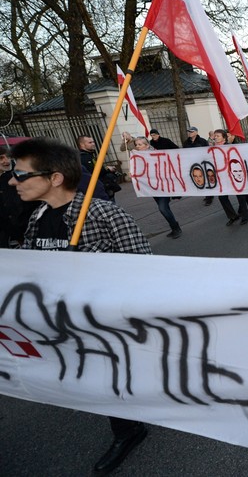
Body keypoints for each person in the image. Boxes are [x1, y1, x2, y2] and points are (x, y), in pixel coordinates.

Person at [10, 137, 151, 474]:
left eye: (22, 174)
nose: (13, 181)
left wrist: (90, 266)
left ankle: (128, 430)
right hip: (65, 323)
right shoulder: (36, 218)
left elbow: (146, 268)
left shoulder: (103, 214)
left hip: (105, 323)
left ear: (54, 177)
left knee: (109, 378)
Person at [133, 137, 182, 238]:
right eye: (136, 145)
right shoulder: (138, 157)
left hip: (163, 187)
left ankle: (176, 228)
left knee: (162, 208)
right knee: (165, 208)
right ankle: (174, 227)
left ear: (147, 146)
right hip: (152, 188)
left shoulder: (156, 155)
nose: (137, 147)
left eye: (140, 144)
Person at [212, 129, 248, 226]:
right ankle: (232, 216)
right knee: (222, 197)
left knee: (240, 195)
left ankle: (244, 216)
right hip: (222, 176)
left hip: (233, 175)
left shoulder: (230, 147)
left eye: (218, 136)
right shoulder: (213, 149)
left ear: (224, 138)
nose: (215, 137)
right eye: (215, 136)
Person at [76, 135, 122, 202]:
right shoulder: (83, 157)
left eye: (93, 142)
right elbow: (93, 171)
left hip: (103, 187)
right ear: (82, 144)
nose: (93, 144)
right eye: (90, 142)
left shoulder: (90, 155)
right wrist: (107, 169)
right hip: (97, 189)